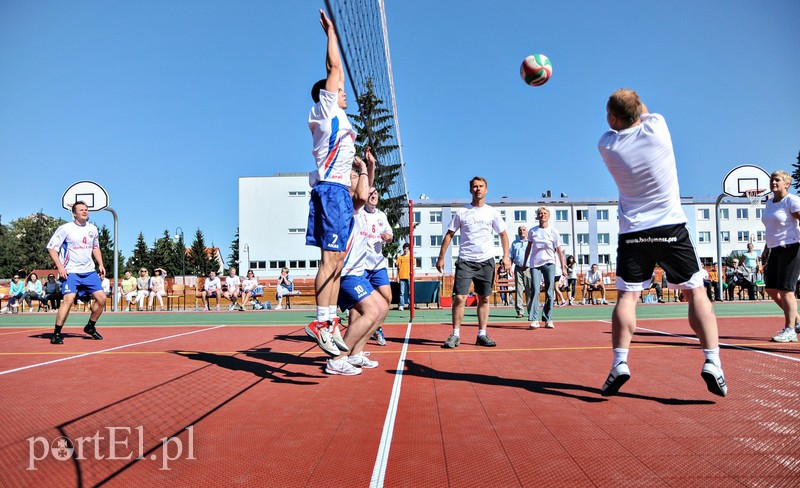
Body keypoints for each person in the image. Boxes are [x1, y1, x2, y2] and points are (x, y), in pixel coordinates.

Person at [597, 88, 726, 397]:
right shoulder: (658, 128)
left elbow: (627, 116)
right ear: (639, 111)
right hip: (671, 227)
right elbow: (641, 110)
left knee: (627, 298)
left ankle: (620, 363)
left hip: (633, 233)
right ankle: (713, 361)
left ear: (613, 118)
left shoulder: (607, 146)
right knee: (696, 291)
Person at [305, 9, 365, 341]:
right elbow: (334, 68)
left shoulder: (340, 122)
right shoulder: (326, 109)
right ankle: (322, 321)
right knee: (330, 260)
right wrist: (332, 36)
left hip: (339, 193)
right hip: (330, 192)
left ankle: (330, 322)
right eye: (339, 89)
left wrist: (360, 167)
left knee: (338, 260)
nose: (344, 91)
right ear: (326, 94)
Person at [324, 163, 388, 375]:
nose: (358, 178)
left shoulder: (361, 206)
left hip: (358, 272)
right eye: (353, 176)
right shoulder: (349, 204)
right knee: (370, 311)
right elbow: (363, 191)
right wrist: (362, 169)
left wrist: (369, 166)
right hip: (346, 273)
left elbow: (367, 186)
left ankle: (355, 354)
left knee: (383, 307)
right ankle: (337, 358)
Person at [437, 176, 510, 348]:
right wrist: (441, 257)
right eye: (475, 186)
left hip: (486, 261)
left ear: (486, 190)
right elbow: (449, 235)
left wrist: (506, 257)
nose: (478, 189)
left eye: (481, 186)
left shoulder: (492, 212)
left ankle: (482, 334)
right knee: (460, 297)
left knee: (484, 298)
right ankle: (455, 334)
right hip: (466, 261)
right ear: (470, 190)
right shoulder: (462, 212)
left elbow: (503, 235)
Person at [45, 201, 106, 344]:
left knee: (102, 298)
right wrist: (60, 266)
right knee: (69, 300)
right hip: (71, 271)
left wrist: (101, 264)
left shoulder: (93, 229)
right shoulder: (65, 228)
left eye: (86, 210)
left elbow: (95, 247)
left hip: (89, 271)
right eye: (81, 210)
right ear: (74, 213)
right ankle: (57, 333)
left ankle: (90, 326)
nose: (85, 212)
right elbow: (52, 248)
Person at [760, 170, 800, 343]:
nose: (773, 182)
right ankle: (797, 321)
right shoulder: (770, 203)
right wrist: (766, 248)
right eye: (772, 179)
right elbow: (772, 228)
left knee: (786, 290)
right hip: (774, 248)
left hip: (791, 247)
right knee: (770, 289)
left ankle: (790, 329)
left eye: (777, 180)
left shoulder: (791, 201)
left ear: (787, 184)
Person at [522, 207, 567, 328]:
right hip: (535, 264)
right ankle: (534, 319)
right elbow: (528, 249)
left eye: (545, 213)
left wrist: (563, 267)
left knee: (550, 291)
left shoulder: (553, 231)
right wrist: (524, 263)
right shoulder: (532, 231)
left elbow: (559, 251)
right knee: (535, 290)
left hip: (549, 263)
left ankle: (548, 319)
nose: (542, 215)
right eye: (540, 214)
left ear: (549, 216)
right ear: (538, 216)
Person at [361, 186, 394, 345]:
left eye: (375, 193)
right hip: (361, 264)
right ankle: (358, 332)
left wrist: (388, 237)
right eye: (370, 194)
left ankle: (377, 328)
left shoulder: (382, 215)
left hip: (378, 263)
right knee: (359, 303)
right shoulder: (359, 213)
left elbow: (390, 235)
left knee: (387, 297)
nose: (373, 196)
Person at [509, 225, 531, 317]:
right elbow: (511, 257)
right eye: (520, 230)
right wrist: (510, 267)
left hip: (529, 269)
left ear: (527, 232)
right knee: (519, 290)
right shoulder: (515, 243)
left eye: (523, 230)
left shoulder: (531, 242)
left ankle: (531, 311)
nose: (522, 231)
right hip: (518, 268)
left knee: (529, 290)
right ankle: (520, 311)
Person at [395, 243, 411, 311]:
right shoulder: (400, 258)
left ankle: (410, 304)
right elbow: (398, 268)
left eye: (407, 249)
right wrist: (397, 277)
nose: (406, 250)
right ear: (403, 249)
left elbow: (413, 267)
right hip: (402, 277)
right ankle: (401, 305)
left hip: (409, 277)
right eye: (404, 249)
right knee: (402, 292)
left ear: (409, 249)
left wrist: (413, 277)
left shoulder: (411, 257)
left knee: (410, 292)